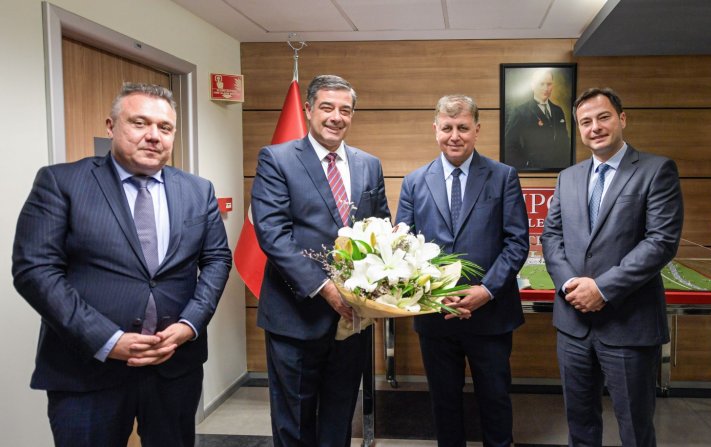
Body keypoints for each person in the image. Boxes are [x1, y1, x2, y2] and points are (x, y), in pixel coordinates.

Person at [12, 83, 232, 447]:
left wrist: (190, 324)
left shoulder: (198, 190)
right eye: (139, 123)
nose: (154, 136)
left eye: (165, 127)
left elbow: (217, 259)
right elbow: (35, 270)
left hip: (174, 366)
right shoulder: (62, 182)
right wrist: (107, 340)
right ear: (111, 126)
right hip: (87, 369)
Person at [251, 74, 390, 446]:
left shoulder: (369, 165)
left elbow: (382, 231)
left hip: (352, 320)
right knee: (294, 422)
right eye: (327, 107)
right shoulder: (277, 159)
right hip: (295, 316)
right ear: (308, 110)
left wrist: (378, 290)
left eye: (345, 110)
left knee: (339, 418)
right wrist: (325, 288)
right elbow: (273, 234)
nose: (336, 117)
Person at [540, 88, 683, 447]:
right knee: (580, 426)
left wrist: (602, 288)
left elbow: (660, 242)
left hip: (629, 324)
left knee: (635, 429)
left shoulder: (656, 170)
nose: (595, 127)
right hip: (573, 325)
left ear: (622, 119)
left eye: (603, 117)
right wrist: (571, 285)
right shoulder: (568, 177)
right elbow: (551, 237)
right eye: (585, 122)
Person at [396, 95, 529, 447]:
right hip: (435, 316)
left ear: (477, 130)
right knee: (444, 405)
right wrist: (433, 295)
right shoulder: (414, 182)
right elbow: (402, 249)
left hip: (491, 316)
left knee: (495, 402)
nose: (454, 136)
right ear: (435, 129)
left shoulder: (503, 177)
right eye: (447, 128)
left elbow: (517, 243)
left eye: (463, 128)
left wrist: (486, 290)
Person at [504, 69, 571, 170]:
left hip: (558, 169)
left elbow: (564, 141)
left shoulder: (558, 110)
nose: (546, 88)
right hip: (533, 169)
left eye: (549, 84)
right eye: (541, 84)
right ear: (532, 86)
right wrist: (525, 164)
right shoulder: (520, 112)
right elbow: (509, 144)